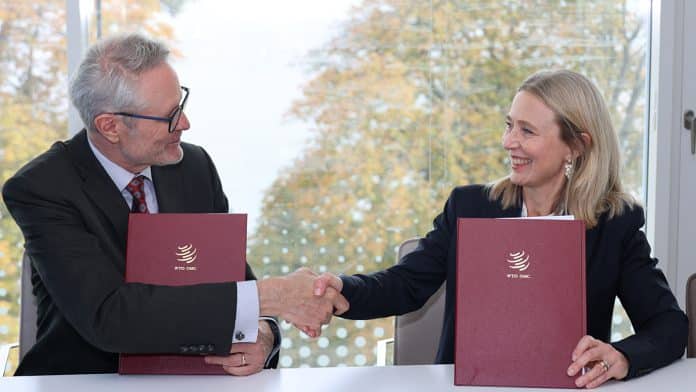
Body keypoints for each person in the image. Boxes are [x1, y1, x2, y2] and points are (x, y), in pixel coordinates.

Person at [314, 70, 688, 388]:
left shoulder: (614, 224)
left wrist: (621, 356)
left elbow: (669, 325)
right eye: (510, 125)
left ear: (576, 146)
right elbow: (406, 284)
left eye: (527, 131)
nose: (509, 142)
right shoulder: (469, 207)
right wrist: (343, 290)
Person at [2, 33, 347, 376]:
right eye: (170, 116)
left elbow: (236, 280)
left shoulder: (193, 167)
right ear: (110, 126)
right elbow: (110, 317)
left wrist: (264, 333)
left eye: (181, 104)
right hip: (81, 381)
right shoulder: (42, 188)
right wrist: (270, 296)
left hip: (193, 381)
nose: (185, 123)